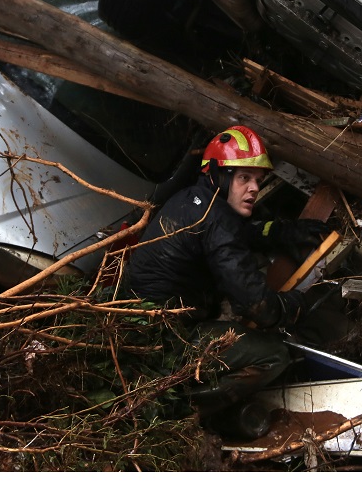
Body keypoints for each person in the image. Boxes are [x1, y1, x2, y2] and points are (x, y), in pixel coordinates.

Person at [125, 125, 330, 437]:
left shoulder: (192, 200)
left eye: (258, 181)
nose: (254, 189)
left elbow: (236, 234)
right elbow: (258, 306)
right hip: (162, 344)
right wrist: (295, 306)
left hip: (135, 327)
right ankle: (175, 409)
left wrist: (280, 231)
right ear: (218, 176)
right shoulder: (217, 220)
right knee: (274, 355)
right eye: (243, 177)